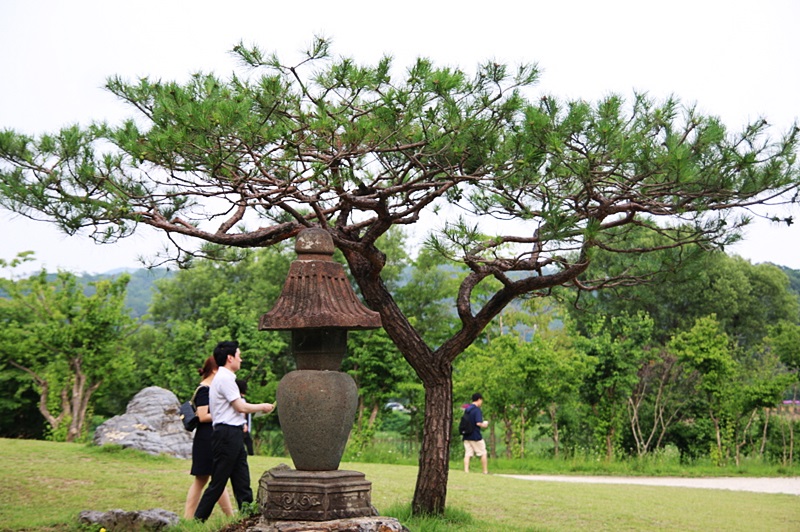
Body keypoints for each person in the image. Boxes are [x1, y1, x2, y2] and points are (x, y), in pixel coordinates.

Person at [194, 341, 274, 522]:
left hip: (233, 433)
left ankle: (248, 518)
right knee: (218, 482)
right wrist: (263, 406)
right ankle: (197, 521)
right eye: (239, 355)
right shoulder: (225, 378)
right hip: (227, 434)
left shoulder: (224, 378)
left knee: (242, 480)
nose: (241, 359)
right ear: (230, 358)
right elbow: (240, 407)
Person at [183, 356, 233, 519]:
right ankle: (188, 517)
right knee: (202, 480)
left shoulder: (212, 388)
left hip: (212, 437)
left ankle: (230, 516)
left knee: (216, 479)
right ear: (214, 370)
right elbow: (203, 416)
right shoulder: (205, 389)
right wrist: (225, 413)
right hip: (206, 439)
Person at [462, 392, 489, 474]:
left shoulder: (467, 409)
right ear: (479, 399)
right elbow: (478, 423)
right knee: (483, 452)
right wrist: (485, 424)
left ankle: (466, 470)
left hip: (466, 435)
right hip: (475, 435)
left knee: (468, 453)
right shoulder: (477, 410)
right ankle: (485, 471)